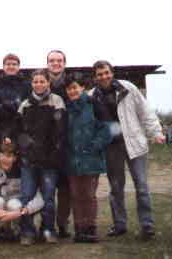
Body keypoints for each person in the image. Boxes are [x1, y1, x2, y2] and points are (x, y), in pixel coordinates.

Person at [90, 60, 165, 239]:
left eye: (106, 72)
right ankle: (119, 225)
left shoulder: (128, 88)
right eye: (100, 74)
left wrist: (156, 132)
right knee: (116, 188)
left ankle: (147, 226)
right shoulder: (92, 96)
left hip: (135, 143)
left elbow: (145, 111)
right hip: (111, 147)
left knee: (142, 186)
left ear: (112, 72)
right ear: (95, 77)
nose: (104, 77)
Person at [16, 69, 65, 245]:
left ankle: (48, 230)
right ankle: (27, 231)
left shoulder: (57, 101)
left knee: (48, 198)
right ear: (32, 84)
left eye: (42, 81)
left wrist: (53, 155)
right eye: (35, 82)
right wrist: (26, 153)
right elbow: (20, 133)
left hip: (49, 161)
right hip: (28, 161)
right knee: (27, 196)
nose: (39, 84)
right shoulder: (24, 105)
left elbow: (60, 132)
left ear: (48, 83)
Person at [63, 75, 112, 243]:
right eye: (69, 88)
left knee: (89, 195)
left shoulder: (94, 104)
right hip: (72, 159)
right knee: (76, 195)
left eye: (75, 87)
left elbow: (106, 129)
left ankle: (90, 229)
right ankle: (79, 229)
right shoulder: (66, 109)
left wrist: (95, 145)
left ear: (82, 87)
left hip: (91, 158)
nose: (72, 91)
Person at [46, 49, 72, 238]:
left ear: (64, 63)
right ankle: (47, 225)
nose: (56, 63)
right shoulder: (40, 82)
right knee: (46, 188)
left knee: (64, 188)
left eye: (59, 60)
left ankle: (62, 223)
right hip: (45, 143)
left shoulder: (70, 84)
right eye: (52, 60)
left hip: (66, 143)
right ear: (47, 63)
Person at [0, 54, 30, 145]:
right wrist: (10, 106)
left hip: (20, 128)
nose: (11, 66)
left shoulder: (26, 86)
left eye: (14, 64)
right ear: (3, 67)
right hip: (0, 127)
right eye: (8, 64)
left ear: (18, 67)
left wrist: (12, 107)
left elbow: (26, 106)